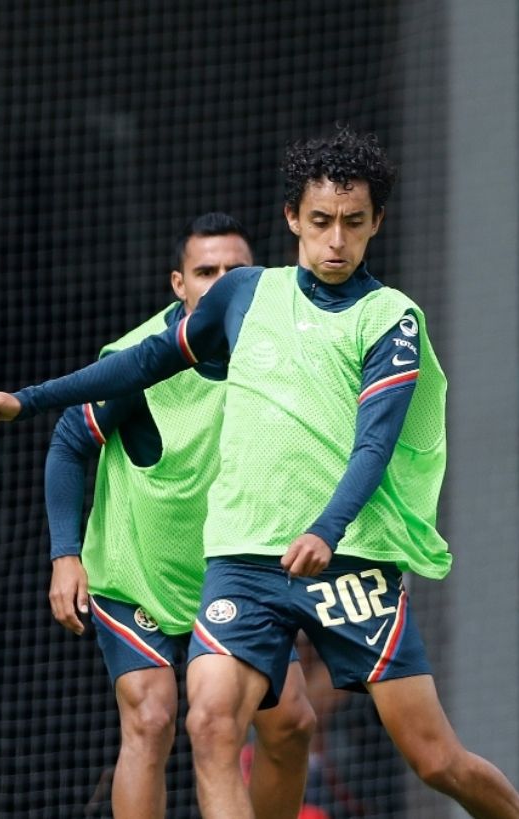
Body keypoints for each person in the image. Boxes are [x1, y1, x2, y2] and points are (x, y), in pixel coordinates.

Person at [0, 126, 519, 819]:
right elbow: (144, 361)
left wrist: (326, 529)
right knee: (206, 723)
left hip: (346, 559)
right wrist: (27, 400)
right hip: (240, 564)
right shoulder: (243, 295)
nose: (335, 240)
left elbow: (374, 445)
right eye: (320, 221)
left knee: (434, 758)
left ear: (377, 223)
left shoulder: (392, 318)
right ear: (292, 217)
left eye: (354, 222)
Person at [44, 212, 316, 819]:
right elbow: (68, 442)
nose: (220, 284)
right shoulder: (139, 360)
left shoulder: (281, 356)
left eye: (235, 271)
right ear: (179, 284)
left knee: (292, 723)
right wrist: (65, 555)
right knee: (152, 718)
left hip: (232, 578)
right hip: (135, 575)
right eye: (205, 271)